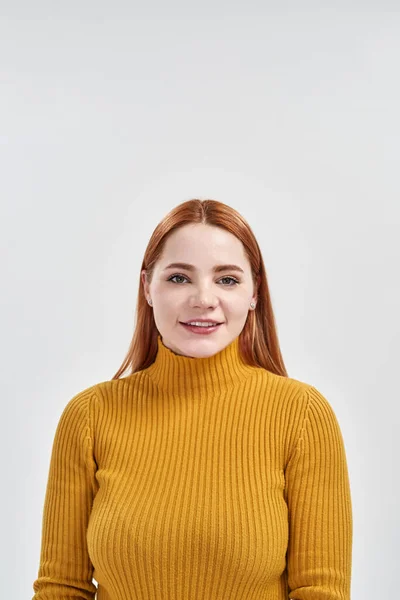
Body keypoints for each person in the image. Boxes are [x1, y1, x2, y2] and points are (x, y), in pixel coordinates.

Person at [32, 198, 353, 600]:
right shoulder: (90, 417)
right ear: (148, 287)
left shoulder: (302, 415)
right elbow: (60, 589)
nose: (203, 298)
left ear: (255, 293)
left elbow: (320, 592)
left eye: (228, 280)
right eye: (179, 278)